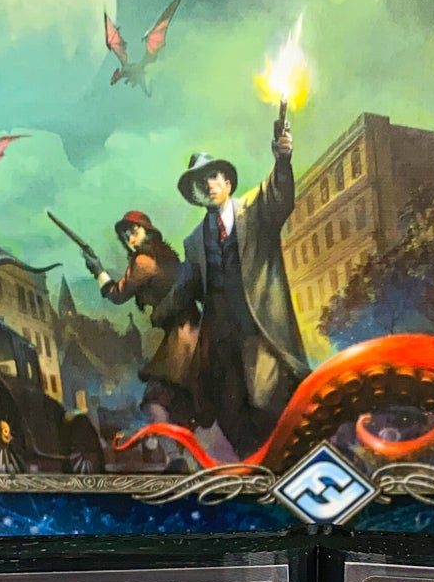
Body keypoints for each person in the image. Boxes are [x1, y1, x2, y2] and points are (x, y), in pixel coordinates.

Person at [153, 126, 308, 457]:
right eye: (200, 183)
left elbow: (280, 195)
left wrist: (282, 160)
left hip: (260, 332)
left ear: (227, 181)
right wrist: (159, 312)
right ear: (195, 194)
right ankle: (253, 468)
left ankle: (278, 464)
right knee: (229, 412)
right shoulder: (194, 241)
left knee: (267, 402)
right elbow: (186, 286)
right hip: (221, 344)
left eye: (213, 177)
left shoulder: (256, 208)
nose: (209, 185)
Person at [83, 211, 201, 429]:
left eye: (134, 232)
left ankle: (175, 447)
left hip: (182, 336)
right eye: (126, 236)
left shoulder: (143, 260)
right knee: (179, 402)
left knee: (156, 401)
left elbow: (117, 294)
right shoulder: (165, 255)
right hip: (190, 329)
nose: (130, 238)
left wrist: (98, 270)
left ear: (148, 232)